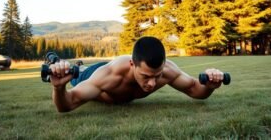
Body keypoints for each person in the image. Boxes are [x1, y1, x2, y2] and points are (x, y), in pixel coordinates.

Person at [49, 36, 226, 112]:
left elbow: (195, 90)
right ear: (132, 64)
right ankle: (63, 62)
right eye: (146, 76)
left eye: (157, 76)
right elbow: (66, 105)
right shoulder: (109, 76)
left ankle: (76, 64)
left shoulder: (167, 70)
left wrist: (209, 87)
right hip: (90, 73)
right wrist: (58, 88)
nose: (152, 84)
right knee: (76, 73)